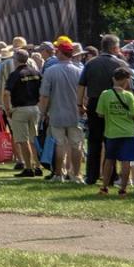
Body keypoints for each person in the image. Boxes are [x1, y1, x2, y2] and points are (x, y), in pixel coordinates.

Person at [77, 35, 127, 184]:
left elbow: (81, 86)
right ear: (114, 48)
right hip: (114, 103)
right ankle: (111, 176)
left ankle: (91, 176)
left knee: (94, 141)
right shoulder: (120, 63)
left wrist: (79, 105)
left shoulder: (91, 63)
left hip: (94, 102)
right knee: (111, 140)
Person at [38, 36, 84, 183]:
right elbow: (84, 94)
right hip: (75, 114)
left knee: (59, 144)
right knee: (76, 145)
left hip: (56, 113)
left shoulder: (51, 71)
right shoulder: (79, 71)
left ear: (61, 53)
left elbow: (45, 96)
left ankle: (59, 174)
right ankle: (76, 174)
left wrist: (43, 112)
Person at [96, 65, 134, 196]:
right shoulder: (129, 96)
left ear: (113, 79)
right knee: (126, 161)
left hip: (111, 132)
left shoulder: (105, 94)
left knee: (109, 160)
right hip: (128, 132)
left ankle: (104, 187)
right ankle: (123, 189)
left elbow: (100, 114)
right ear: (126, 80)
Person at [3, 49, 42, 177]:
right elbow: (42, 91)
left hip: (20, 109)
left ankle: (28, 168)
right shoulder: (36, 72)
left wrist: (7, 109)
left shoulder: (15, 74)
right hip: (35, 108)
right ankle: (37, 166)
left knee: (23, 140)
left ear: (16, 60)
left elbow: (6, 93)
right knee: (32, 139)